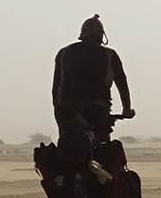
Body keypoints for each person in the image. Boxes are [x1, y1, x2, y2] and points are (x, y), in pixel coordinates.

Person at [53, 14, 133, 152]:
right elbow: (122, 83)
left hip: (67, 113)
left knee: (65, 149)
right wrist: (127, 109)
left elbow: (56, 89)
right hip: (97, 112)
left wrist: (60, 109)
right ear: (101, 35)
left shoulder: (64, 53)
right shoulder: (110, 55)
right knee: (104, 153)